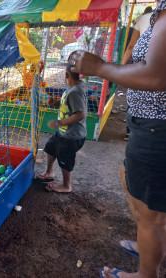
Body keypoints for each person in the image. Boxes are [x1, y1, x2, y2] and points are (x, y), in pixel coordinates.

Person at [70, 0, 166, 277]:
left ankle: (146, 271)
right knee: (128, 177)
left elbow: (156, 75)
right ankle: (150, 243)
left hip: (156, 127)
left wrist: (100, 67)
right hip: (148, 124)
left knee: (153, 215)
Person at [36, 52, 87, 193]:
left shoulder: (75, 92)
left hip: (72, 136)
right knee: (50, 148)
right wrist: (55, 103)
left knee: (65, 160)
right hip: (63, 133)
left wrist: (59, 123)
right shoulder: (71, 89)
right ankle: (49, 173)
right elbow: (67, 106)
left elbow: (80, 114)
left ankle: (66, 185)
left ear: (66, 75)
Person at [121, 4, 157, 141]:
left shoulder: (141, 19)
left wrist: (122, 67)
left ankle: (130, 132)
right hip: (158, 66)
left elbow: (131, 46)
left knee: (136, 96)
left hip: (141, 67)